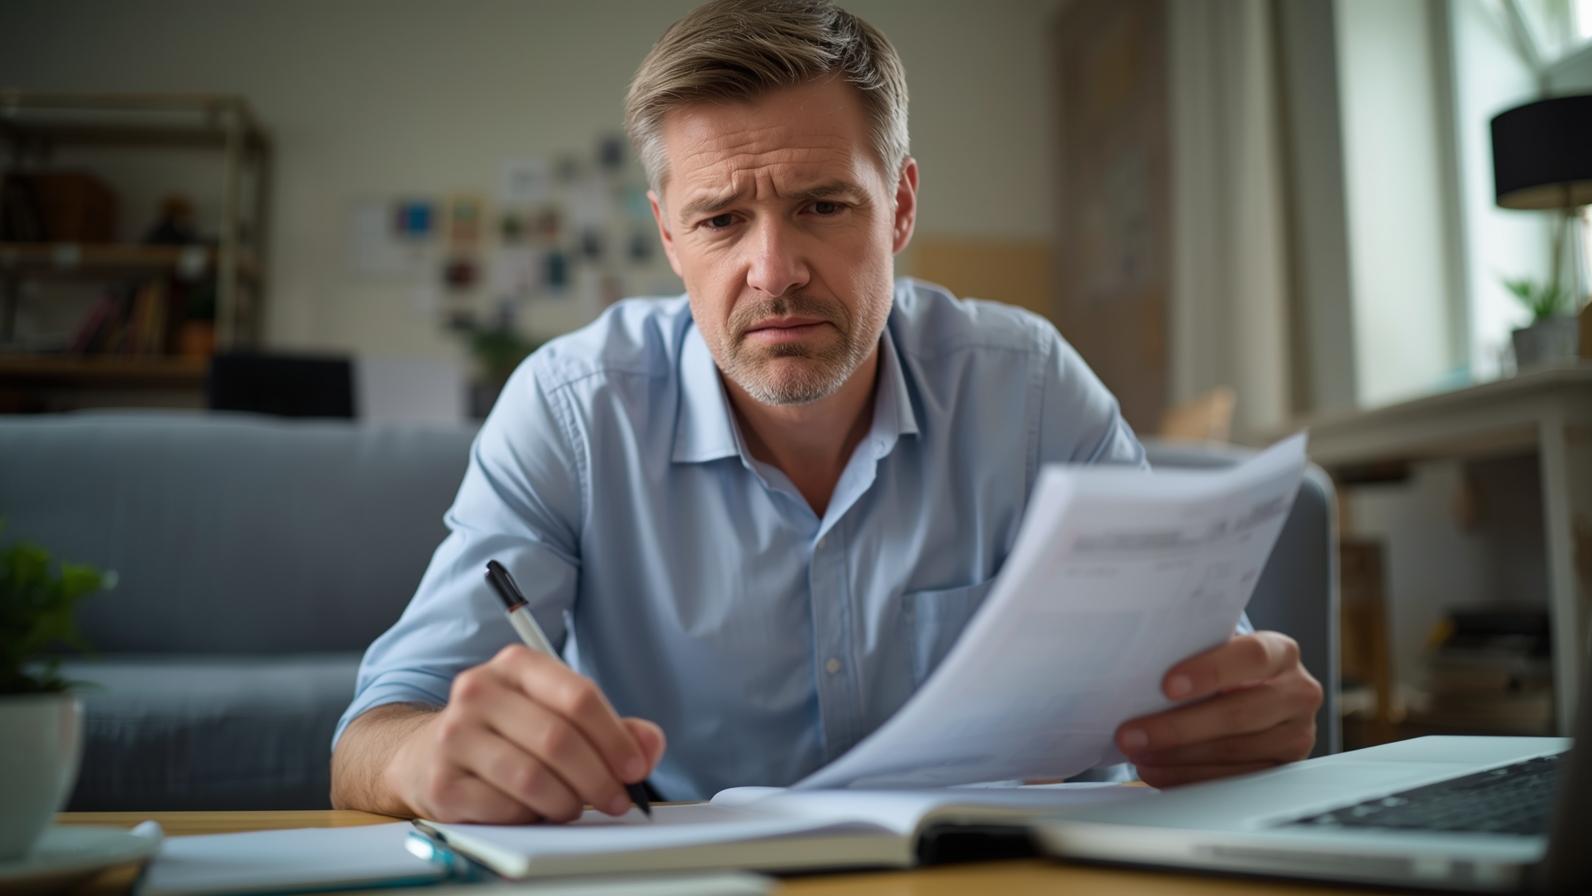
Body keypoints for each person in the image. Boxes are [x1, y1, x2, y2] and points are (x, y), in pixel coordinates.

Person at [330, 0, 1323, 824]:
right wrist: (427, 760)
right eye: (721, 220)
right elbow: (371, 736)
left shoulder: (1028, 387)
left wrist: (1238, 715)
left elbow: (1207, 683)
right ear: (669, 236)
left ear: (898, 207)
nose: (775, 271)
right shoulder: (567, 411)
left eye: (822, 205)